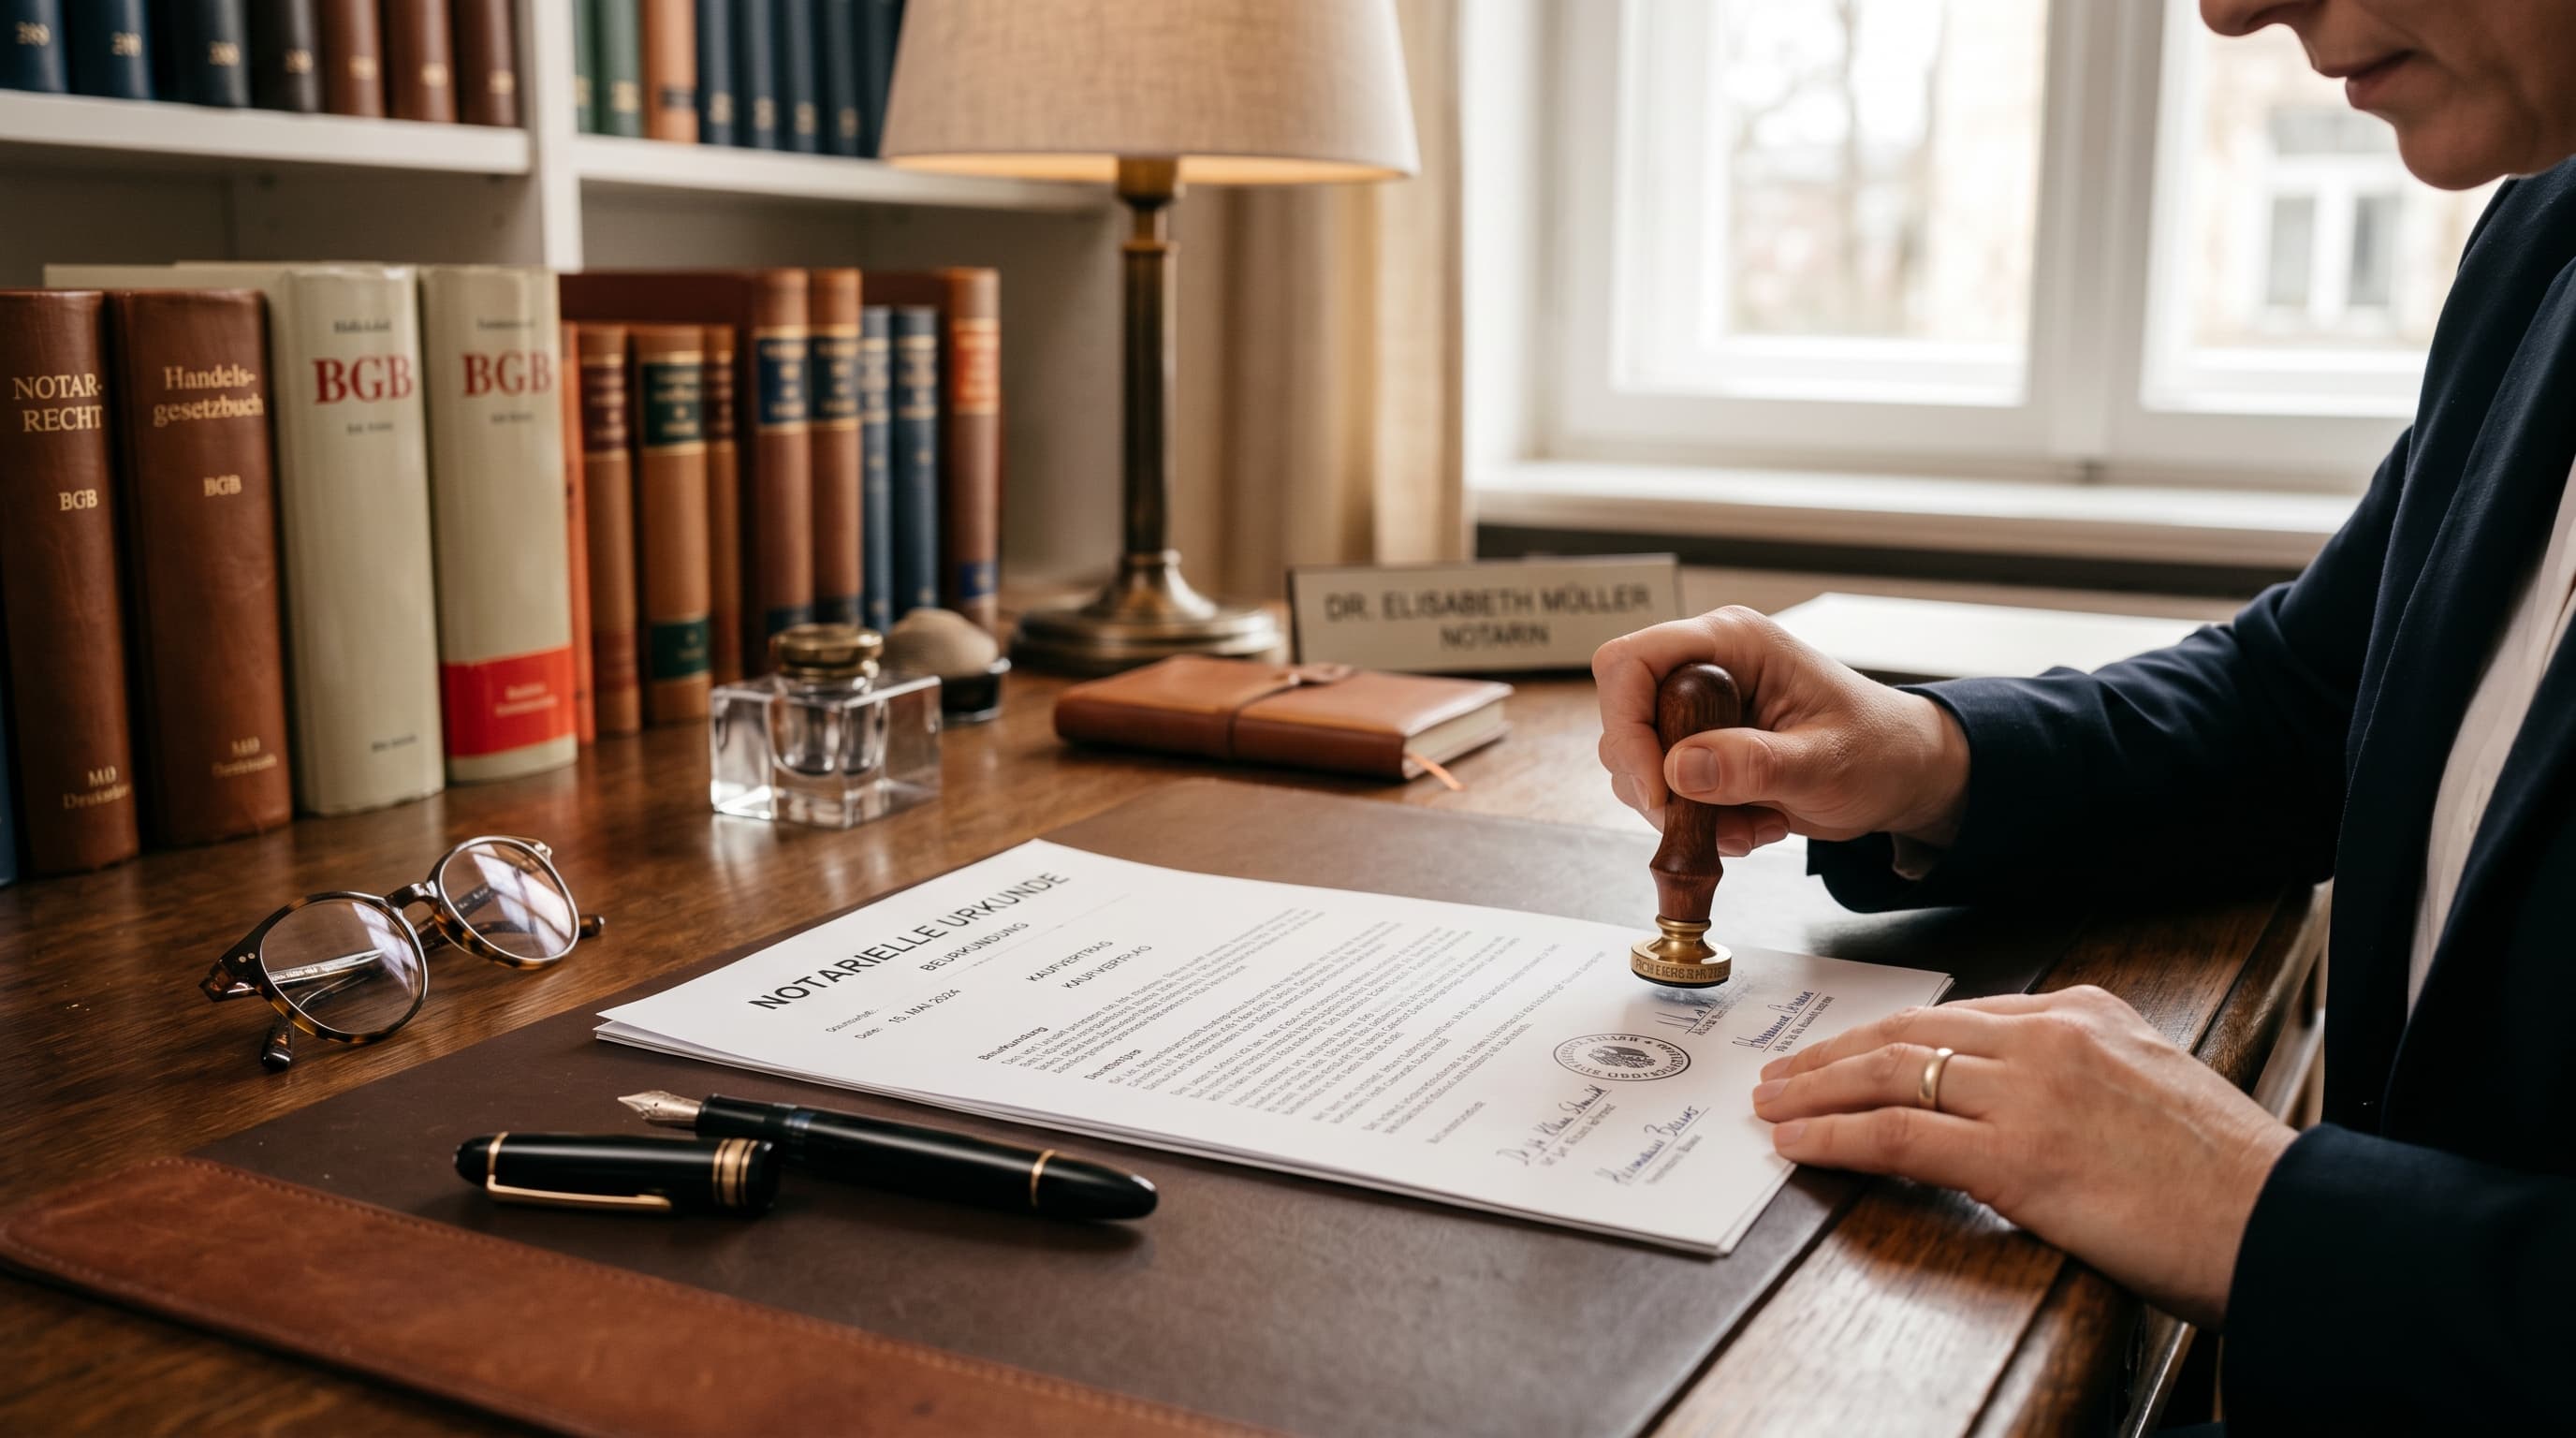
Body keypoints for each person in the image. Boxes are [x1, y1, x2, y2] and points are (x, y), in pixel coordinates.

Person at [1591, 1, 2576, 1429]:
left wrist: (2260, 1205)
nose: (2232, 8)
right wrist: (1922, 757)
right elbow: (2304, 698)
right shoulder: (2543, 237)